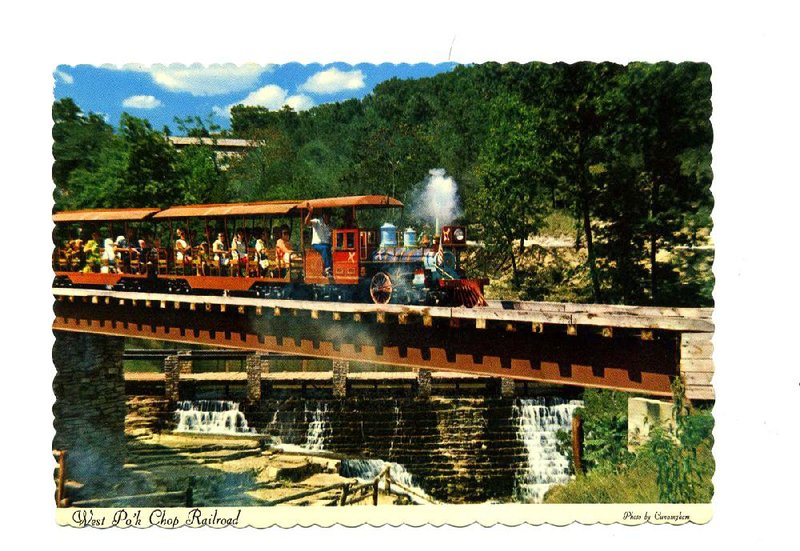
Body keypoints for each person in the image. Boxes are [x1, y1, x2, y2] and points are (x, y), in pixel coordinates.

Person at [304, 204, 333, 277]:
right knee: (325, 248)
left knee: (335, 250)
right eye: (326, 215)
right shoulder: (317, 221)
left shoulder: (331, 225)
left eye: (329, 215)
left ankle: (333, 270)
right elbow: (306, 222)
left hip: (328, 245)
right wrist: (310, 212)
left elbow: (332, 236)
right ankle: (328, 269)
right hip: (317, 245)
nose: (328, 217)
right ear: (323, 215)